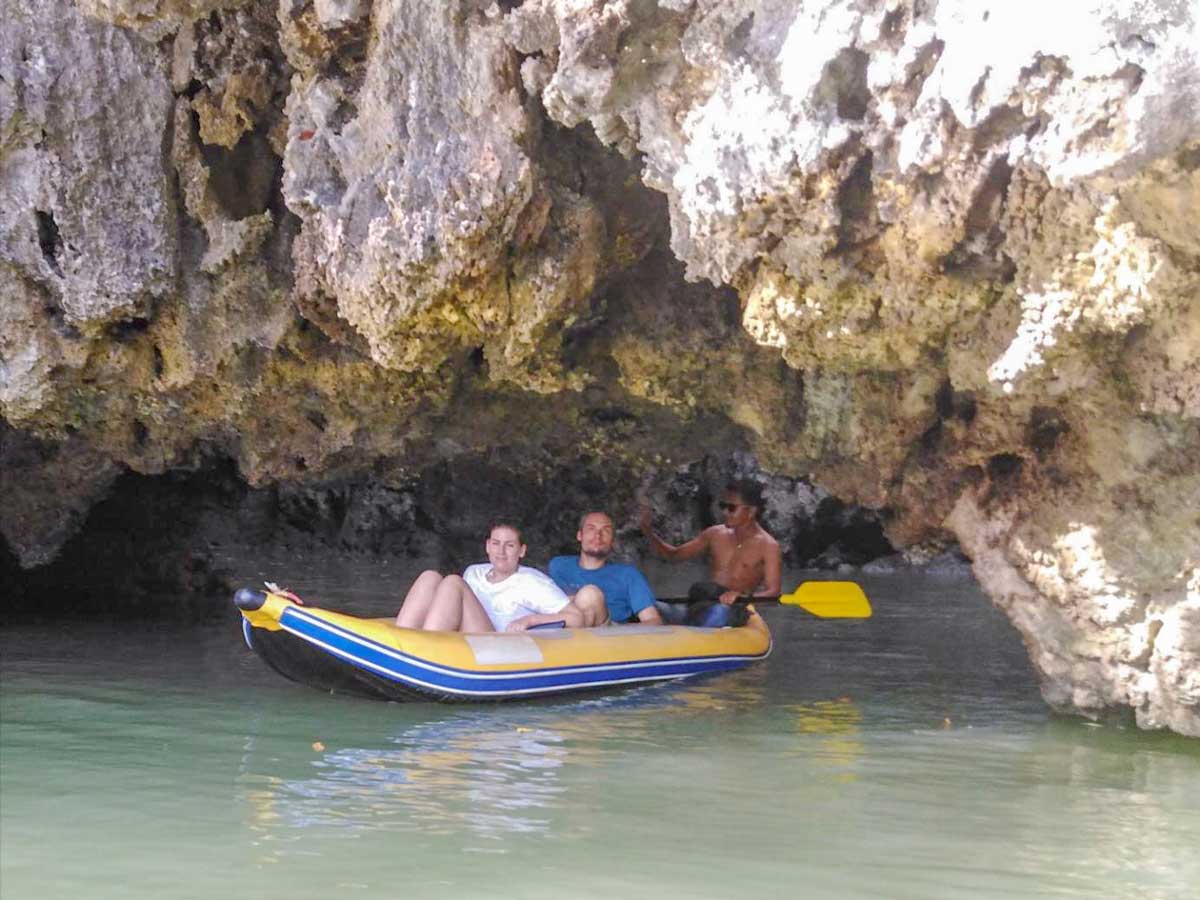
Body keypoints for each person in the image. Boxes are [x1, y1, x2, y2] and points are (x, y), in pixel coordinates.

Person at [395, 521, 607, 632]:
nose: (501, 551)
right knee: (430, 576)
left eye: (510, 545)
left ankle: (428, 644)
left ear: (521, 551)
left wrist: (530, 620)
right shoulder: (474, 572)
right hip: (465, 633)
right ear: (487, 546)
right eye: (496, 544)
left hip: (492, 642)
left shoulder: (532, 582)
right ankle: (401, 638)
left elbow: (576, 618)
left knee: (453, 582)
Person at [639, 478, 781, 626]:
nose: (725, 512)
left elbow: (773, 593)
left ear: (751, 511)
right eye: (722, 506)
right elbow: (673, 555)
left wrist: (742, 596)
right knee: (647, 607)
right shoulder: (714, 534)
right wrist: (648, 532)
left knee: (719, 613)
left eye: (731, 508)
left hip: (730, 611)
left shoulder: (768, 546)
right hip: (701, 606)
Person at [548, 512, 664, 625]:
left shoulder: (628, 575)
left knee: (590, 595)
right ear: (580, 535)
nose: (598, 535)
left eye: (606, 530)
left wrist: (619, 634)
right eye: (591, 528)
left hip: (612, 636)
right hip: (565, 636)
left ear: (612, 540)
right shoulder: (559, 566)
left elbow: (653, 620)